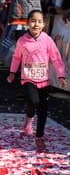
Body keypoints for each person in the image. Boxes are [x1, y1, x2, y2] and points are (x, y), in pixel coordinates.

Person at [7, 10, 67, 151]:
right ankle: (29, 118)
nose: (36, 24)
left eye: (39, 22)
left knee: (43, 110)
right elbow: (16, 57)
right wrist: (12, 73)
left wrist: (61, 76)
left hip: (43, 80)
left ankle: (39, 137)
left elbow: (56, 58)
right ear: (28, 23)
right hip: (28, 79)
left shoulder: (47, 40)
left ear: (43, 25)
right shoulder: (22, 41)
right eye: (33, 21)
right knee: (34, 102)